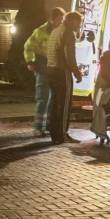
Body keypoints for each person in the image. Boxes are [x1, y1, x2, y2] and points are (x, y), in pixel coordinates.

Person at [23, 7, 66, 137]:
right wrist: (30, 62)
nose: (61, 21)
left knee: (53, 97)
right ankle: (37, 127)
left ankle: (47, 125)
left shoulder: (61, 31)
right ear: (53, 19)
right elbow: (28, 47)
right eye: (60, 19)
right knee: (43, 97)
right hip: (42, 66)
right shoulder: (40, 31)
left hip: (54, 67)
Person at [46, 11, 83, 144]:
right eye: (78, 23)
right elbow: (69, 56)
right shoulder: (68, 33)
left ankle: (54, 133)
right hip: (61, 71)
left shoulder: (55, 31)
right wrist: (76, 72)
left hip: (50, 69)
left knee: (55, 103)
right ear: (73, 21)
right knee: (64, 104)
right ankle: (62, 135)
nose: (79, 26)